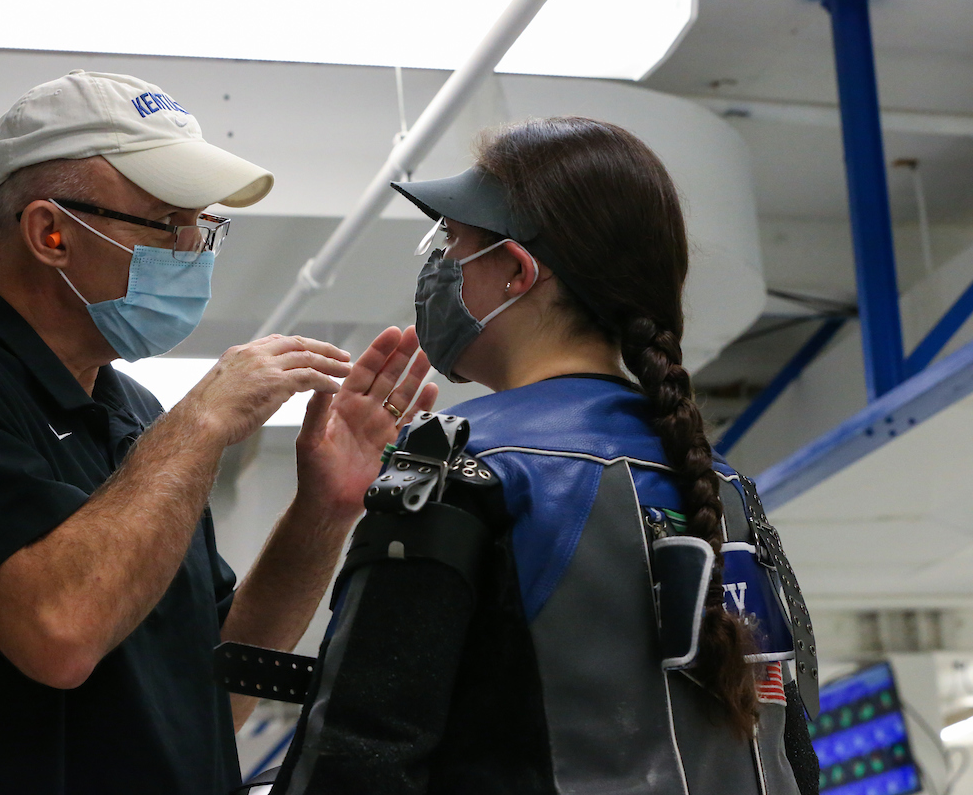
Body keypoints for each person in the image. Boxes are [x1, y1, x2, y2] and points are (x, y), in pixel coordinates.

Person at [0, 70, 438, 794]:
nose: (194, 249)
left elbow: (221, 682)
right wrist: (205, 420)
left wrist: (326, 507)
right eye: (166, 224)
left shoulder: (136, 415)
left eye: (203, 225)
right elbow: (59, 633)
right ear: (51, 232)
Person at [265, 117, 820, 794]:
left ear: (515, 273)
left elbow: (357, 754)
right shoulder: (724, 487)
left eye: (452, 241)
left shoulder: (459, 467)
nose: (439, 263)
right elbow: (791, 751)